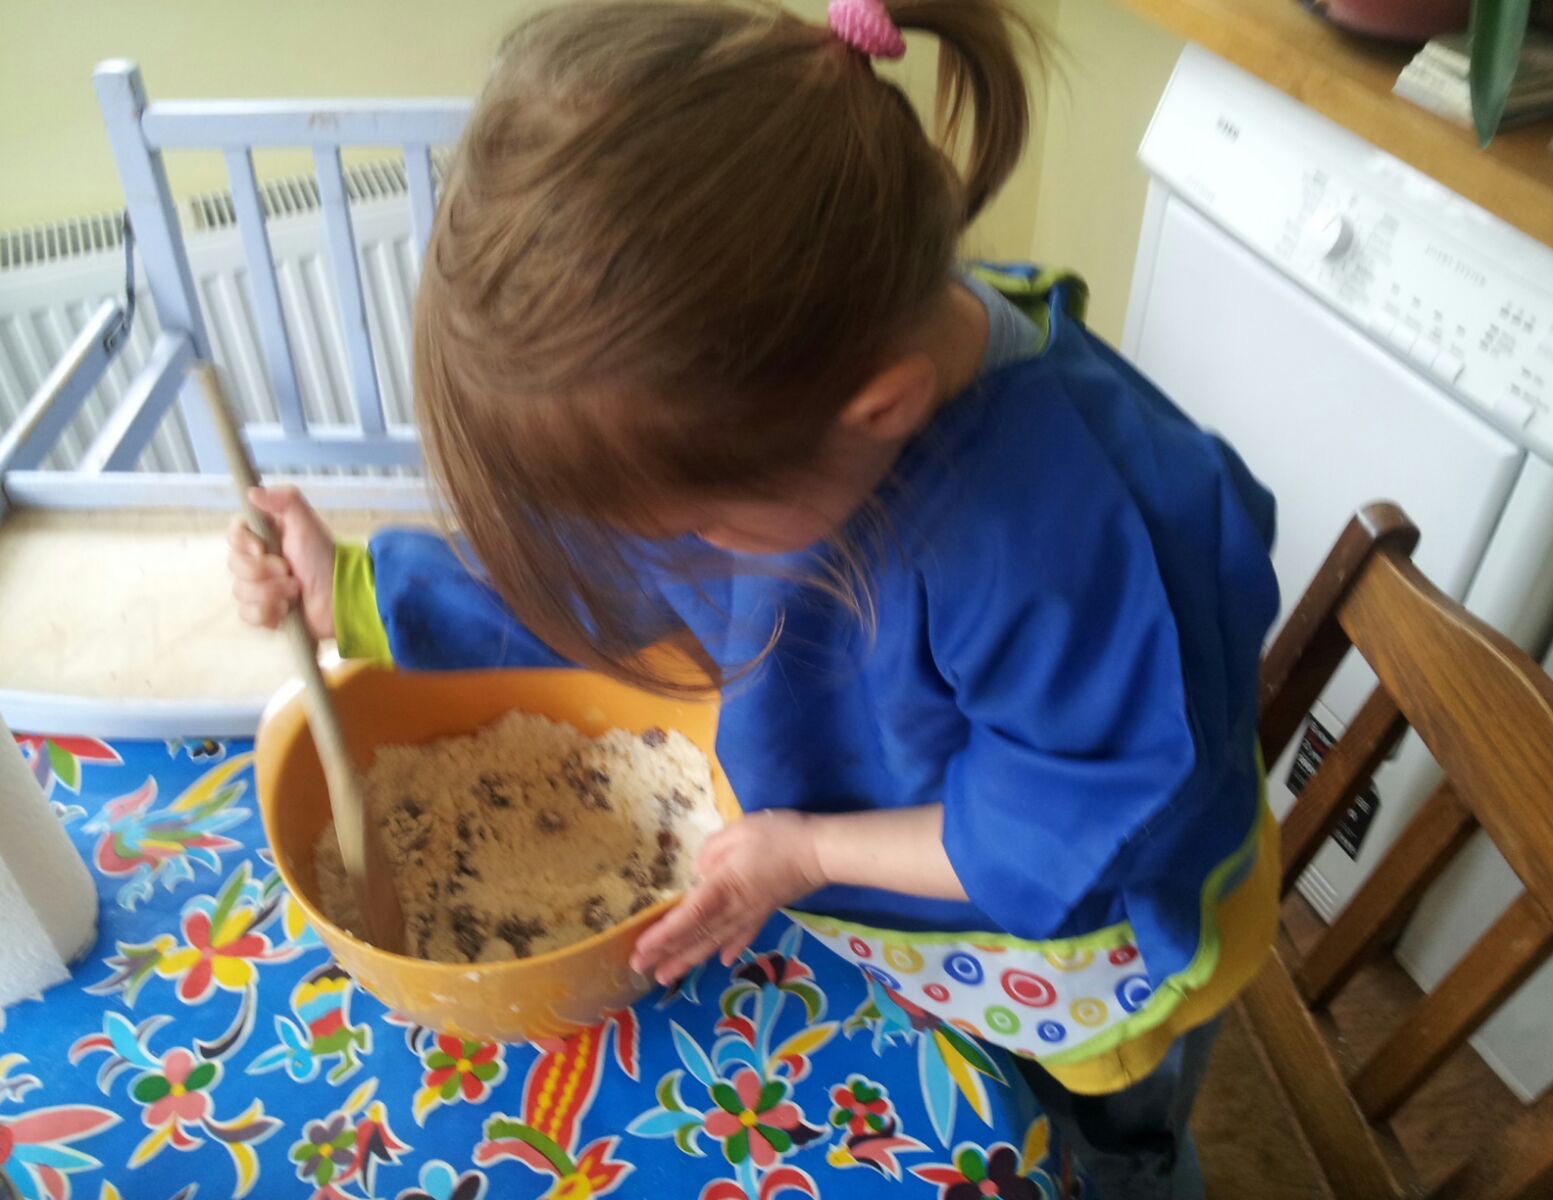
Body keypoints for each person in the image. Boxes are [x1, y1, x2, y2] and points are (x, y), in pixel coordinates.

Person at [228, 2, 1281, 1195]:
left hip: (1086, 951)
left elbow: (1070, 823)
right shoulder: (781, 395)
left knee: (1092, 1146)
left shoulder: (1076, 549)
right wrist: (351, 591)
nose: (665, 551)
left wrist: (808, 850)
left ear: (879, 409)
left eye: (688, 525)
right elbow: (600, 579)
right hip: (900, 907)